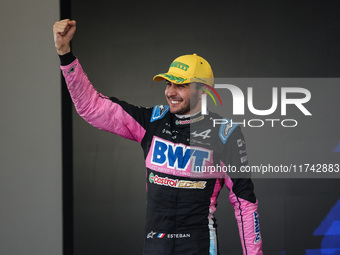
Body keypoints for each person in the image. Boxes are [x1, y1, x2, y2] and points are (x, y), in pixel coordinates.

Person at [53, 19, 263, 255]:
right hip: (155, 247)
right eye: (168, 83)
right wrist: (65, 55)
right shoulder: (151, 121)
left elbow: (245, 203)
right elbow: (91, 107)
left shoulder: (225, 133)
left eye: (180, 85)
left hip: (199, 247)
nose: (170, 92)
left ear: (203, 90)